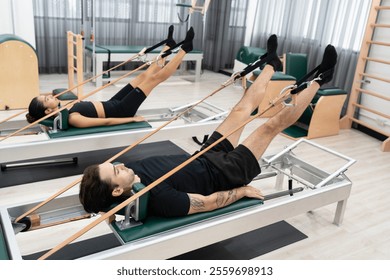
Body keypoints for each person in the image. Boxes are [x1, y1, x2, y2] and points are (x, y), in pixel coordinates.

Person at [79, 34, 338, 218]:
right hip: (225, 174)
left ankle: (271, 63)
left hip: (204, 156)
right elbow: (207, 202)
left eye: (114, 164)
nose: (121, 164)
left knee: (241, 108)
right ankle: (320, 79)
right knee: (269, 126)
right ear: (116, 189)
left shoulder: (128, 180)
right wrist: (241, 191)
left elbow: (113, 205)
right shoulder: (159, 199)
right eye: (115, 170)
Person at [25, 26, 194, 128]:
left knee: (143, 75)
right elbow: (107, 122)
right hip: (121, 110)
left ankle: (168, 47)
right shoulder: (72, 118)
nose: (50, 96)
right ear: (48, 111)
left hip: (112, 103)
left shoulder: (63, 107)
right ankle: (185, 49)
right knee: (153, 79)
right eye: (47, 99)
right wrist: (131, 119)